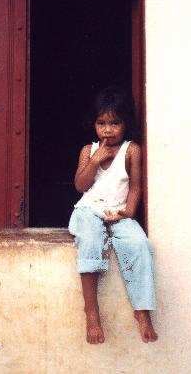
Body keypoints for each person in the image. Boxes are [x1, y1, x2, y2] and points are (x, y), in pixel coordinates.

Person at [68, 86, 158, 344]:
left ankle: (142, 311)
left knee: (139, 244)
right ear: (93, 124)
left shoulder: (132, 150)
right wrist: (95, 160)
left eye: (114, 122)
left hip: (119, 212)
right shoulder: (88, 150)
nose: (107, 129)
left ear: (126, 123)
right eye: (101, 123)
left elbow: (136, 186)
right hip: (89, 210)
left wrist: (128, 212)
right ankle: (92, 312)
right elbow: (80, 186)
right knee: (90, 240)